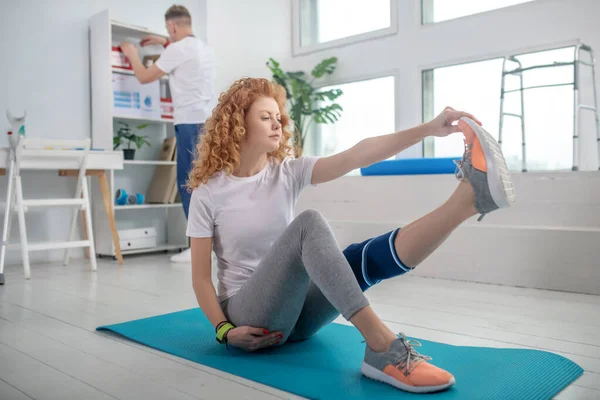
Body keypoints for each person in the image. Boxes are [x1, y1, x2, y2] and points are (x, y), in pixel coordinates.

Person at [185, 78, 515, 394]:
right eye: (265, 117)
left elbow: (359, 154)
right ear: (239, 124)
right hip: (250, 316)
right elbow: (201, 279)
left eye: (278, 117)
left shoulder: (287, 173)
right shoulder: (209, 194)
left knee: (358, 260)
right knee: (308, 224)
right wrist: (225, 331)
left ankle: (467, 201)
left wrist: (429, 128)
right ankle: (382, 346)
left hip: (295, 319)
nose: (277, 123)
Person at [120, 5, 216, 263]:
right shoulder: (202, 48)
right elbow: (181, 54)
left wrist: (131, 54)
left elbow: (143, 77)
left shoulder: (177, 49)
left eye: (168, 31)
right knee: (207, 185)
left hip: (189, 124)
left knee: (188, 185)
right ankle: (210, 247)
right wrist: (164, 42)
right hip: (208, 122)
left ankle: (197, 250)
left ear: (172, 26)